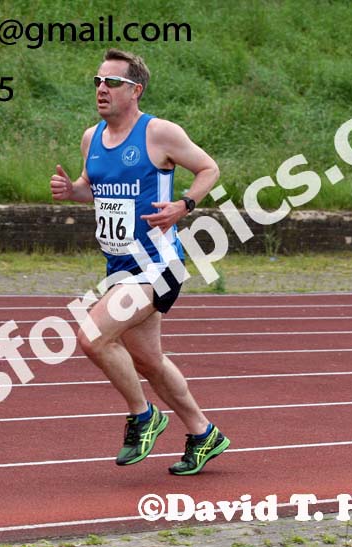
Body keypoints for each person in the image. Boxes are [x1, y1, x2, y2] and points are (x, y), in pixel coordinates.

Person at [50, 49, 229, 475]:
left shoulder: (159, 133)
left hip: (158, 264)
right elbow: (94, 189)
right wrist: (70, 190)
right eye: (97, 81)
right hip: (120, 268)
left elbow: (209, 169)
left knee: (92, 336)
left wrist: (183, 205)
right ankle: (204, 434)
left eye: (111, 83)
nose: (101, 89)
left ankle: (144, 416)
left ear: (135, 91)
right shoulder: (91, 138)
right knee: (149, 360)